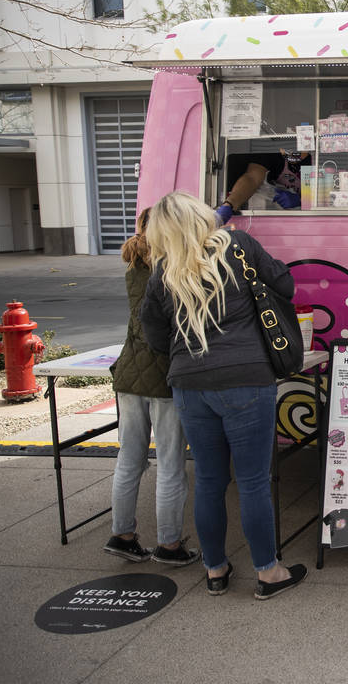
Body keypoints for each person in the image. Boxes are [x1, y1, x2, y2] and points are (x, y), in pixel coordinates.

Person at [141, 191, 307, 600]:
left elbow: (155, 337)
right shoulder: (238, 245)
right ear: (201, 216)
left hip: (190, 386)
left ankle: (215, 570)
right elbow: (285, 284)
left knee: (211, 482)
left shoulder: (163, 271)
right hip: (247, 379)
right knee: (252, 483)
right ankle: (268, 573)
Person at [103, 208, 200, 567]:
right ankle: (169, 545)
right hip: (163, 376)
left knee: (129, 459)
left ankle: (122, 534)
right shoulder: (171, 269)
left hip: (128, 374)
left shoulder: (133, 264)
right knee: (171, 464)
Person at [215, 148, 310, 223]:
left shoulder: (313, 159)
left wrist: (302, 200)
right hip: (279, 220)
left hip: (308, 219)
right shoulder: (273, 155)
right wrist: (230, 204)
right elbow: (252, 178)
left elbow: (322, 194)